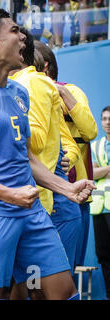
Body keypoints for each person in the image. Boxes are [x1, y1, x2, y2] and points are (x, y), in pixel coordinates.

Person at [0, 8, 94, 300]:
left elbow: (26, 158)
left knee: (59, 292)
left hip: (32, 214)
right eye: (14, 30)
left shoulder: (18, 93)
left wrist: (66, 188)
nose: (23, 37)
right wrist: (9, 194)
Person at [10, 28, 82, 286]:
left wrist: (6, 125)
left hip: (53, 204)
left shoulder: (33, 82)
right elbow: (60, 138)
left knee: (47, 288)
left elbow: (38, 141)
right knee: (29, 286)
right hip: (34, 200)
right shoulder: (10, 86)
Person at [34, 39, 98, 268]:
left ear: (45, 67)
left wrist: (60, 93)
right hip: (39, 194)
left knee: (68, 267)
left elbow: (90, 131)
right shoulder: (21, 91)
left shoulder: (70, 90)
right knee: (38, 273)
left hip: (75, 192)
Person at [90, 105, 110, 299]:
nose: (108, 122)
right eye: (104, 119)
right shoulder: (96, 146)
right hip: (99, 208)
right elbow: (92, 173)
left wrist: (101, 170)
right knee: (103, 254)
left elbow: (98, 172)